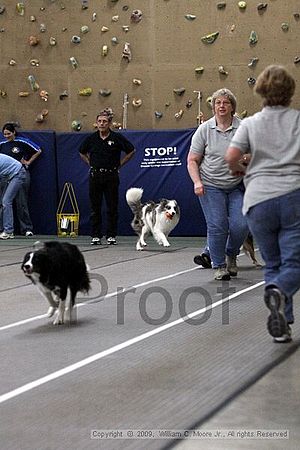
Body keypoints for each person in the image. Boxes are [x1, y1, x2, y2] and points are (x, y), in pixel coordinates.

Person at [225, 64, 300, 343]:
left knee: (273, 263)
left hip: (258, 201)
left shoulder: (250, 123)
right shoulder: (297, 121)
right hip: (293, 197)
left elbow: (231, 157)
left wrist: (243, 172)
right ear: (290, 91)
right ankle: (279, 292)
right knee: (295, 263)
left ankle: (283, 322)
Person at [187, 88, 249, 280]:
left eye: (226, 102)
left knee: (242, 224)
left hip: (237, 185)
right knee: (217, 225)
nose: (221, 106)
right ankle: (219, 265)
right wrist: (197, 182)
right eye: (217, 103)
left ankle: (231, 254)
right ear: (213, 107)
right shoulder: (204, 129)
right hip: (211, 185)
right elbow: (192, 160)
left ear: (232, 107)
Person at [79, 108, 135, 245]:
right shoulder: (91, 138)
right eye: (99, 121)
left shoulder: (116, 138)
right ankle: (95, 235)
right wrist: (90, 163)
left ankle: (111, 235)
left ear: (109, 123)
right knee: (95, 207)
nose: (102, 124)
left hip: (111, 175)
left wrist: (120, 164)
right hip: (95, 175)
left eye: (104, 121)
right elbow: (81, 151)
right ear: (96, 123)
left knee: (112, 206)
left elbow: (131, 150)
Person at [0, 123, 42, 236]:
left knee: (21, 202)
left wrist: (28, 162)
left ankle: (26, 228)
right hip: (4, 175)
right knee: (4, 201)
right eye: (4, 134)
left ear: (14, 132)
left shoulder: (22, 141)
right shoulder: (2, 144)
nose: (7, 136)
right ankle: (3, 228)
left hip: (19, 172)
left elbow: (38, 150)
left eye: (8, 133)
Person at [0, 154, 27, 239]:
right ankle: (7, 230)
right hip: (8, 176)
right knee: (4, 202)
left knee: (6, 201)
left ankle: (8, 231)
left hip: (18, 173)